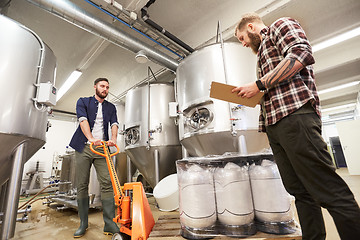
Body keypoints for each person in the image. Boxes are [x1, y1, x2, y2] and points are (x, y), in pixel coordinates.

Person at [232, 13, 360, 239]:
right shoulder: (261, 55)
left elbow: (301, 54)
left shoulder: (281, 25)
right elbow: (274, 87)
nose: (243, 44)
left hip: (295, 117)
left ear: (251, 27)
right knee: (300, 192)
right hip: (276, 126)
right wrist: (255, 94)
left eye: (242, 38)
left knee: (328, 188)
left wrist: (259, 84)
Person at [69, 77, 120, 238]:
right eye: (102, 86)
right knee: (82, 184)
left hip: (102, 148)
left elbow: (114, 124)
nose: (105, 89)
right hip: (84, 146)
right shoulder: (83, 101)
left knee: (107, 183)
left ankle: (110, 224)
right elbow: (82, 120)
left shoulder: (111, 107)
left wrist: (113, 139)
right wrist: (90, 138)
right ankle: (83, 223)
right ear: (95, 87)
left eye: (107, 87)